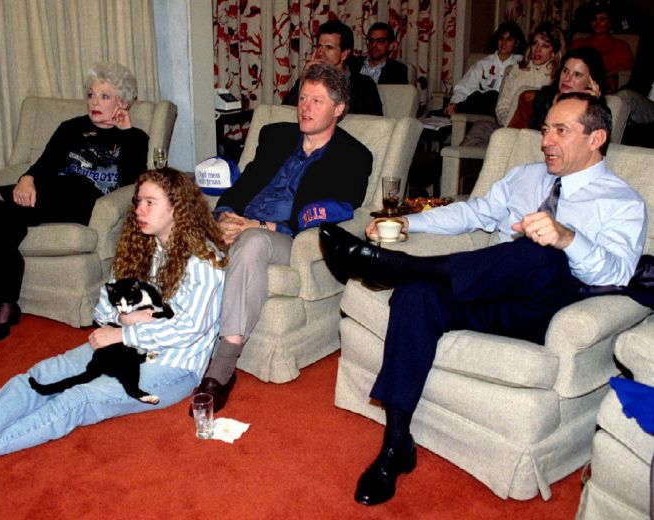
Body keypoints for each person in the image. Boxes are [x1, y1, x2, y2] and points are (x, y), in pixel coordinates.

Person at [319, 92, 646, 506]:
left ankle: (399, 267)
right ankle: (395, 446)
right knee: (418, 294)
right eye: (546, 130)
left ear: (596, 137)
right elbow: (471, 214)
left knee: (541, 252)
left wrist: (567, 238)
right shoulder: (526, 176)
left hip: (547, 310)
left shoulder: (622, 201)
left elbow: (618, 273)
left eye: (561, 131)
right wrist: (403, 222)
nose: (546, 140)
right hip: (490, 293)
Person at [0, 168, 226, 479]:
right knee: (40, 375)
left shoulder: (204, 260)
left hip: (170, 370)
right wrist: (127, 321)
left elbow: (188, 328)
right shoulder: (142, 246)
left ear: (177, 208)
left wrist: (126, 328)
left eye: (150, 202)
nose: (138, 209)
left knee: (77, 398)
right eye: (139, 201)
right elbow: (105, 307)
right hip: (121, 344)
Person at [194, 62, 373, 413]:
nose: (304, 107)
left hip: (282, 238)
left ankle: (222, 368)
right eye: (303, 98)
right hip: (242, 223)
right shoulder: (276, 135)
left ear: (339, 109)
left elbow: (341, 209)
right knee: (178, 223)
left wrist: (259, 228)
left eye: (316, 101)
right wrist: (225, 215)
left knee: (253, 243)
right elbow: (244, 182)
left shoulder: (353, 156)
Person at [0, 62, 149, 343]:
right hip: (46, 197)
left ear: (122, 103)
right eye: (90, 95)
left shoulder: (134, 138)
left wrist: (126, 134)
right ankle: (7, 305)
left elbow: (130, 182)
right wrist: (26, 179)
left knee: (74, 183)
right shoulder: (70, 128)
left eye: (104, 96)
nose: (94, 102)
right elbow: (45, 164)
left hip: (85, 201)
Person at [283, 20, 383, 115]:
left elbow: (374, 124)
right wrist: (305, 76)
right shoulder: (311, 80)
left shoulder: (364, 85)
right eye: (319, 46)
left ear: (344, 54)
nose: (321, 53)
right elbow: (286, 110)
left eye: (329, 47)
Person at [511, 46, 605, 131]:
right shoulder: (531, 99)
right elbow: (510, 137)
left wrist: (591, 106)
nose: (567, 78)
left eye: (577, 74)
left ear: (591, 82)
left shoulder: (596, 111)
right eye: (565, 70)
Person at [445, 21, 526, 117]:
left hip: (503, 109)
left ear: (516, 43)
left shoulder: (521, 63)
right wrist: (454, 103)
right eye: (501, 38)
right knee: (482, 96)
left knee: (494, 96)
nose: (504, 43)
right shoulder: (483, 64)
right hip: (479, 106)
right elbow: (464, 87)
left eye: (509, 39)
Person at [494, 21, 564, 126]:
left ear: (553, 52)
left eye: (545, 46)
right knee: (479, 127)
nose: (537, 50)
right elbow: (501, 106)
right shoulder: (516, 70)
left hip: (538, 131)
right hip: (509, 126)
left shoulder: (558, 76)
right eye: (535, 43)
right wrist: (510, 124)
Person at [570, 2, 634, 93]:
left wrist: (605, 75)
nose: (597, 23)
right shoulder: (578, 43)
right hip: (578, 85)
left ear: (609, 22)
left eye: (602, 19)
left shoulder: (621, 46)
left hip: (606, 88)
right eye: (594, 19)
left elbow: (628, 67)